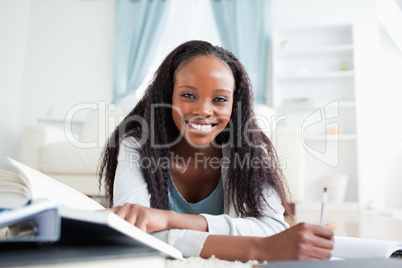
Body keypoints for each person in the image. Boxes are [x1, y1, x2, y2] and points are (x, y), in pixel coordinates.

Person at [99, 40, 334, 261]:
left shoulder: (247, 149)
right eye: (188, 95)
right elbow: (132, 233)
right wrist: (256, 247)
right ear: (168, 95)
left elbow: (273, 228)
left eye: (220, 99)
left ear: (234, 104)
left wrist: (168, 219)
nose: (203, 110)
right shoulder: (136, 145)